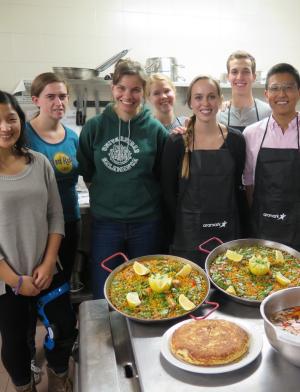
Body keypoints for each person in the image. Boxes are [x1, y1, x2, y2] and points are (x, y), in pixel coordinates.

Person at [0, 91, 76, 392]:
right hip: (7, 280)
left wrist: (47, 264)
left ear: (20, 119)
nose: (5, 127)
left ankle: (59, 375)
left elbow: (56, 217)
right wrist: (16, 280)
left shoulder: (40, 162)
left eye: (10, 118)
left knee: (64, 329)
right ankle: (23, 386)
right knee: (16, 342)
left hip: (47, 269)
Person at [77, 59, 168, 299]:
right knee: (104, 290)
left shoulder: (156, 130)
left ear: (144, 92)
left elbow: (161, 174)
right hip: (106, 224)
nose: (128, 95)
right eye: (122, 88)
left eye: (136, 89)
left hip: (146, 223)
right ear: (113, 89)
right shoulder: (94, 127)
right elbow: (86, 169)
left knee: (148, 290)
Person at [161, 76, 246, 266]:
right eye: (198, 97)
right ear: (190, 102)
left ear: (220, 100)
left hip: (227, 235)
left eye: (211, 96)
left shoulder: (236, 141)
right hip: (189, 236)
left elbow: (238, 188)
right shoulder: (176, 142)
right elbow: (167, 194)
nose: (205, 103)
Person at [27, 72, 81, 284]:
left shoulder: (73, 138)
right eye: (51, 97)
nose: (59, 102)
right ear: (36, 100)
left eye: (63, 96)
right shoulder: (23, 136)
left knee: (63, 283)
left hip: (70, 220)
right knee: (37, 283)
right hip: (38, 226)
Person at [243, 63, 300, 250]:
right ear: (266, 94)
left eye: (288, 87)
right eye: (275, 88)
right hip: (263, 227)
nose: (282, 94)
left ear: (298, 91)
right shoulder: (251, 133)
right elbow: (249, 183)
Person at [217, 50, 271, 132]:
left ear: (254, 77)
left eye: (246, 72)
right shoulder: (219, 113)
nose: (239, 77)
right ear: (228, 77)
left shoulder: (268, 113)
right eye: (234, 72)